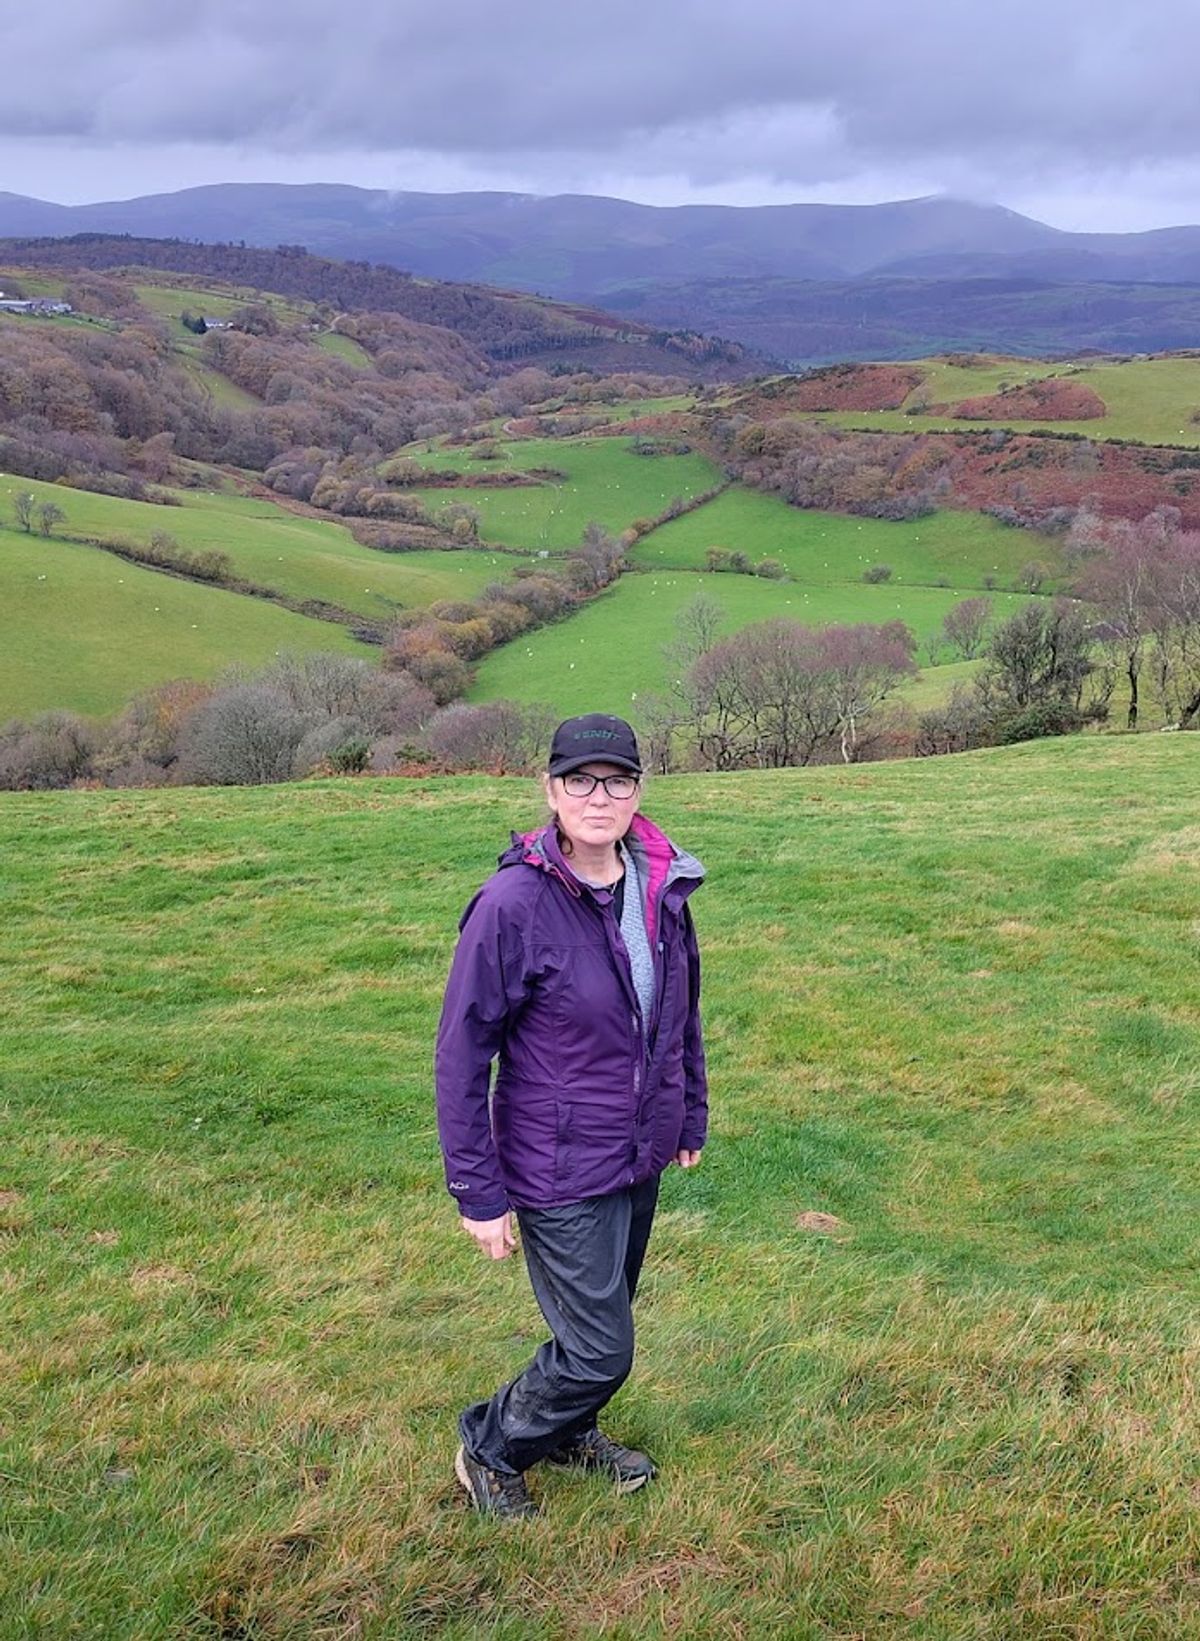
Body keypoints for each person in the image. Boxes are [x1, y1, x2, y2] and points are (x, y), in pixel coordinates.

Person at [435, 712, 708, 1518]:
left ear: (637, 791)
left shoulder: (658, 885)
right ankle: (490, 1445)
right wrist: (477, 1192)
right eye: (580, 779)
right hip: (558, 1164)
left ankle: (566, 1428)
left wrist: (687, 1112)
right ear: (551, 791)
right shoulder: (512, 904)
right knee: (600, 1348)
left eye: (617, 778)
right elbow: (461, 1054)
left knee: (603, 1320)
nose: (600, 795)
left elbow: (679, 1011)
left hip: (636, 1153)